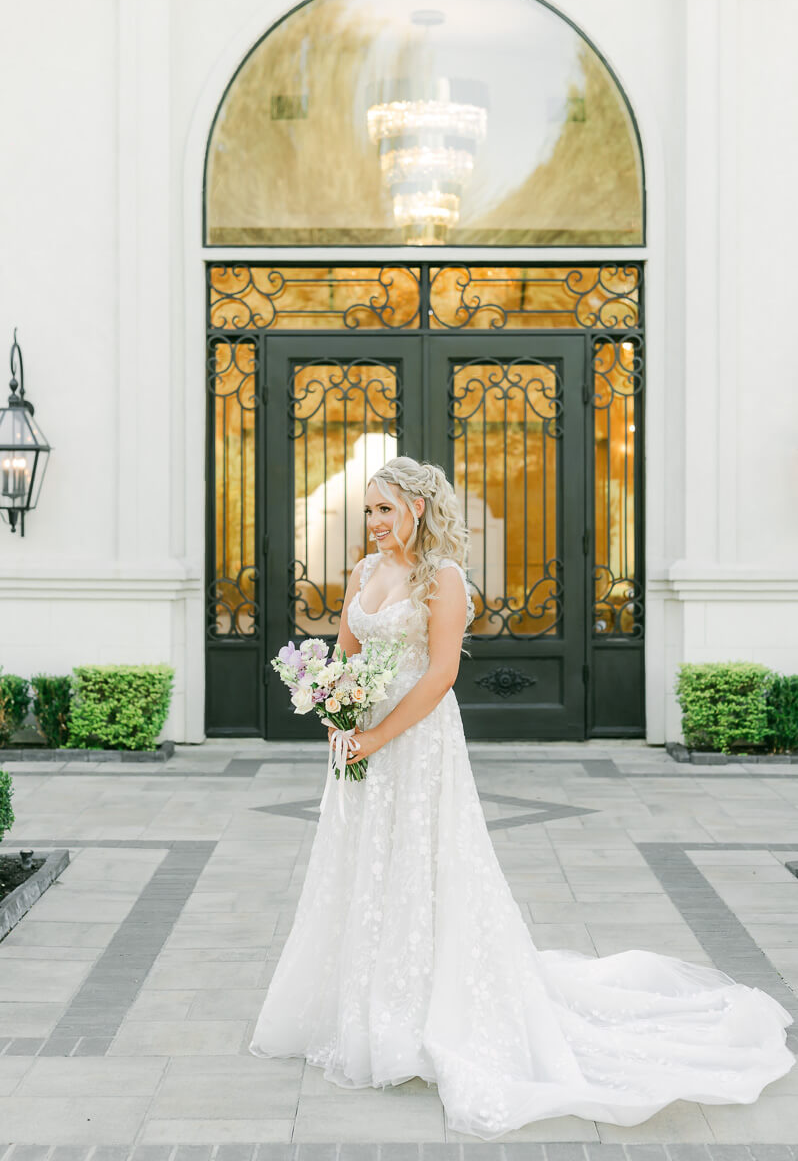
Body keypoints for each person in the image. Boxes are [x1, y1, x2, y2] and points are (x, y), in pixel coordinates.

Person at [249, 456, 794, 1141]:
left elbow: (442, 673)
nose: (375, 523)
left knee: (422, 862)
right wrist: (337, 711)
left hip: (415, 742)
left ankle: (419, 1013)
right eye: (369, 511)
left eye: (386, 509)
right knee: (363, 862)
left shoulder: (442, 578)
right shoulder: (362, 574)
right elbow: (347, 653)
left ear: (417, 509)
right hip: (360, 745)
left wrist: (381, 733)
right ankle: (364, 1007)